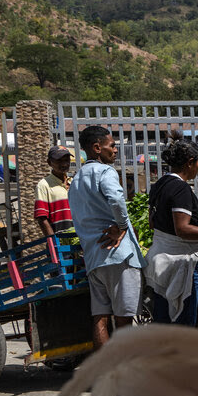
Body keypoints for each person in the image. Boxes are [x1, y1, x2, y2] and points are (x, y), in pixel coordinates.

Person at [68, 125, 144, 349]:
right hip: (118, 256)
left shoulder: (76, 180)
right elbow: (116, 199)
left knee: (100, 317)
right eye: (112, 146)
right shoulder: (104, 172)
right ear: (97, 148)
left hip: (94, 258)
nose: (115, 150)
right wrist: (121, 226)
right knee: (124, 320)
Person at [144, 139, 198, 326]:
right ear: (190, 162)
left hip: (158, 262)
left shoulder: (160, 184)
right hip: (177, 265)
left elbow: (152, 222)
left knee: (164, 322)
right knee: (182, 326)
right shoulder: (181, 189)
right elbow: (183, 229)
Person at [34, 147, 74, 237]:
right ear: (49, 162)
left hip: (79, 239)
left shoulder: (74, 182)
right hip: (60, 240)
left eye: (67, 160)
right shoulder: (44, 185)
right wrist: (53, 241)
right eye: (59, 161)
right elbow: (41, 218)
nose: (64, 164)